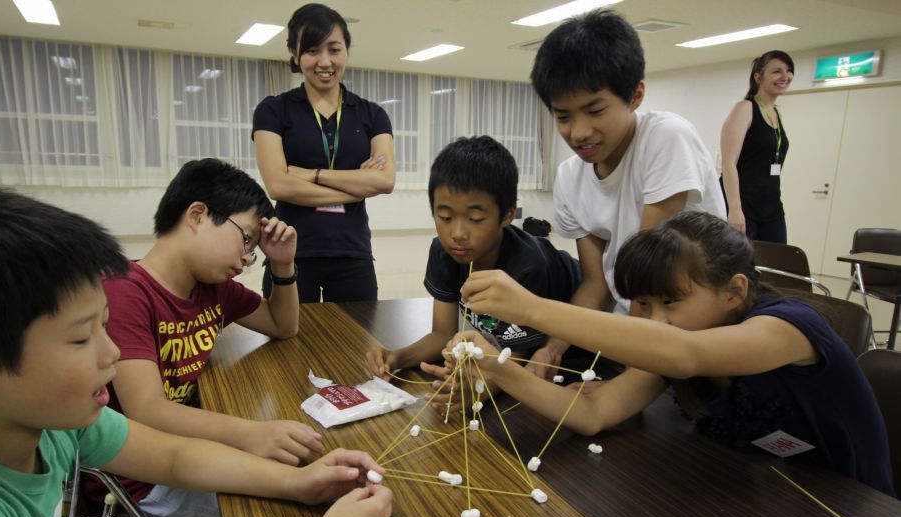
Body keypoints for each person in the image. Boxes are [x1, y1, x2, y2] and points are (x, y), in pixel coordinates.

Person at [0, 186, 393, 517]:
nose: (112, 354)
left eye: (104, 327)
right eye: (80, 338)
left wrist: (299, 482)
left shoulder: (56, 422)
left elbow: (173, 455)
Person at [453, 211, 894, 496]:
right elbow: (594, 412)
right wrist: (497, 367)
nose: (653, 321)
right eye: (642, 304)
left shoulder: (790, 328)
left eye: (671, 302)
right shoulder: (674, 342)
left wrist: (532, 308)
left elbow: (686, 353)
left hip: (853, 512)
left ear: (733, 291)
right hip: (766, 498)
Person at [87, 158, 325, 517]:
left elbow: (283, 325)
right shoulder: (124, 292)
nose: (247, 259)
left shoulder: (212, 288)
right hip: (138, 479)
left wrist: (281, 265)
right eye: (246, 239)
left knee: (302, 466)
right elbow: (147, 410)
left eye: (253, 249)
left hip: (186, 450)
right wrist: (251, 435)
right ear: (196, 215)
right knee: (287, 512)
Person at [526, 9, 726, 379]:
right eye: (563, 117)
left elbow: (646, 278)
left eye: (594, 110)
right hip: (631, 329)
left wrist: (624, 380)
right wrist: (552, 347)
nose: (579, 132)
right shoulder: (569, 177)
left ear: (635, 96)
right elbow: (596, 283)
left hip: (693, 331)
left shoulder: (666, 138)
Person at [363, 136, 581, 415]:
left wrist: (480, 388)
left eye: (475, 219)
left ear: (507, 215)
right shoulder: (444, 253)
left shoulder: (529, 266)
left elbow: (518, 357)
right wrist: (397, 358)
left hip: (578, 336)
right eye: (445, 217)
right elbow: (443, 333)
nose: (458, 234)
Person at [253, 2, 395, 303]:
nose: (324, 61)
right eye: (312, 50)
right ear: (294, 54)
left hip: (353, 252)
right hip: (289, 250)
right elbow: (278, 185)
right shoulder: (273, 110)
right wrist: (355, 187)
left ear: (346, 51)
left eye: (334, 49)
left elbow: (384, 181)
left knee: (353, 345)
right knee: (287, 343)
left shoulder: (372, 115)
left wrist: (311, 174)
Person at [720, 51, 794, 242]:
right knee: (743, 265)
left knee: (777, 264)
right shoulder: (745, 108)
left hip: (771, 205)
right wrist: (735, 209)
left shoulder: (775, 113)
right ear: (758, 77)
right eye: (777, 71)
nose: (785, 76)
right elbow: (728, 163)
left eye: (789, 71)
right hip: (744, 204)